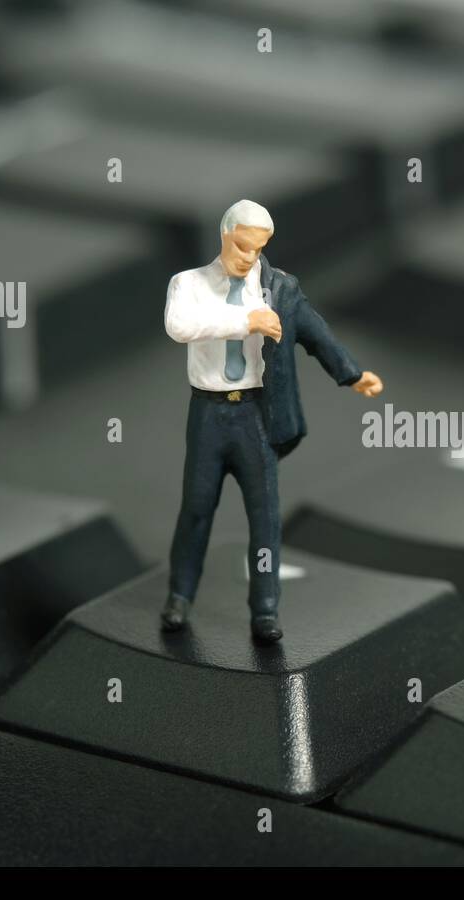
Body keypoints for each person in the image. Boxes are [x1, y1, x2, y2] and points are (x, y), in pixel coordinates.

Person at [159, 199, 383, 642]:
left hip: (256, 416)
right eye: (242, 247)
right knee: (197, 509)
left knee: (264, 517)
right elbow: (179, 325)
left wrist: (352, 374)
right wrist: (247, 319)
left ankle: (264, 609)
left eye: (258, 249)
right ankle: (179, 597)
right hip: (207, 413)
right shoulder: (189, 284)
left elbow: (316, 334)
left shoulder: (281, 289)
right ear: (224, 235)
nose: (249, 258)